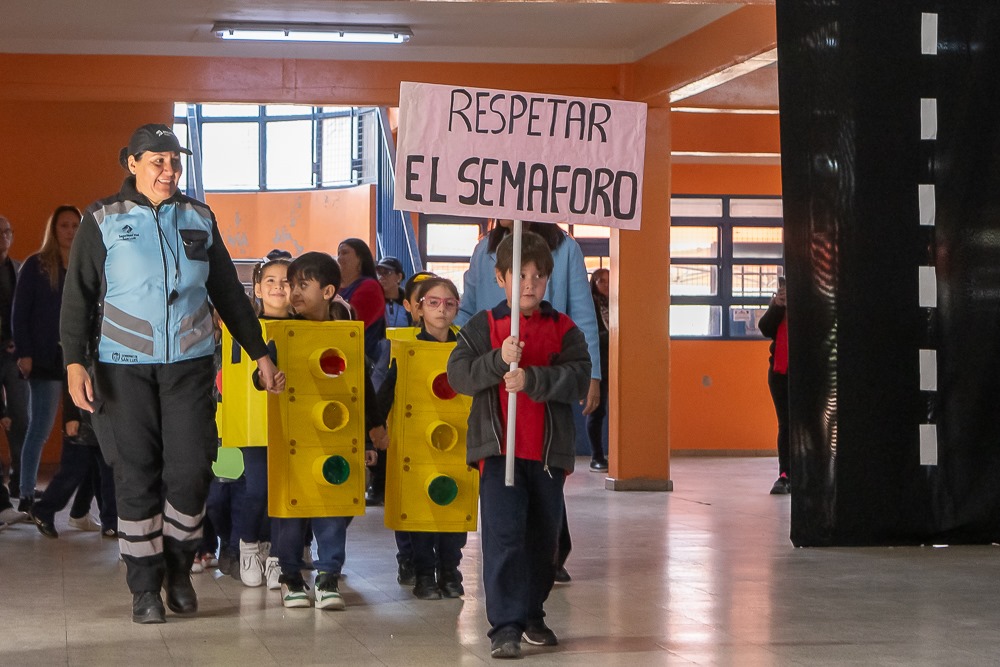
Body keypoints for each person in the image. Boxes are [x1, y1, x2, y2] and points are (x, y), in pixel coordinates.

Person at [60, 123, 284, 625]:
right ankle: (144, 587)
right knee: (136, 474)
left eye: (174, 161)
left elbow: (227, 289)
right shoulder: (102, 217)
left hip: (188, 364)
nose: (168, 170)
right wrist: (75, 360)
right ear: (132, 163)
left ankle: (179, 570)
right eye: (157, 161)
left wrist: (260, 353)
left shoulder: (198, 217)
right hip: (122, 368)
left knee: (190, 470)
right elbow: (77, 295)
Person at [447, 231, 591, 659]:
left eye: (539, 276)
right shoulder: (484, 327)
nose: (530, 284)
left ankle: (532, 612)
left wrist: (533, 379)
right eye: (521, 274)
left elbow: (578, 378)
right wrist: (496, 359)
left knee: (542, 540)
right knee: (504, 537)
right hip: (498, 455)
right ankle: (505, 625)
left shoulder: (563, 329)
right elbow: (459, 375)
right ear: (501, 277)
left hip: (546, 457)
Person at [272, 251, 386, 610]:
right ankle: (290, 576)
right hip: (292, 438)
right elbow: (259, 376)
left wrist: (372, 430)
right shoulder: (281, 332)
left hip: (335, 434)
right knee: (291, 513)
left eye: (303, 285)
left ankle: (327, 575)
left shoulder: (346, 335)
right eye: (292, 285)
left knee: (333, 508)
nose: (294, 293)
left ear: (328, 291)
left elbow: (361, 384)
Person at [377, 276, 468, 600]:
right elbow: (386, 390)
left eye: (449, 303)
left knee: (454, 506)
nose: (441, 310)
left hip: (456, 441)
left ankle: (449, 570)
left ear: (457, 308)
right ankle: (424, 572)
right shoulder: (406, 349)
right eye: (433, 303)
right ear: (418, 309)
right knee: (421, 511)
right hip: (416, 443)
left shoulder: (465, 350)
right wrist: (376, 428)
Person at [12, 205, 81, 512]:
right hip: (44, 358)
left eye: (75, 226)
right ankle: (27, 492)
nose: (70, 231)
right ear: (54, 230)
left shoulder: (82, 265)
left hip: (77, 358)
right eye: (64, 225)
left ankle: (78, 503)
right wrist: (25, 353)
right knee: (39, 427)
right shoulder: (36, 265)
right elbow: (20, 313)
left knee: (81, 431)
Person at [238, 255, 292, 588]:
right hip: (253, 422)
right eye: (270, 281)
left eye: (286, 281)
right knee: (258, 487)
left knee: (286, 490)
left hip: (293, 422)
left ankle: (276, 555)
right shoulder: (245, 328)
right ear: (258, 287)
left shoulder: (305, 327)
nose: (278, 287)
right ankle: (248, 544)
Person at [29, 383, 118, 538]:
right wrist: (71, 416)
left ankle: (110, 522)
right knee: (73, 470)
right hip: (84, 416)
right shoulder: (81, 358)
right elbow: (70, 376)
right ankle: (43, 510)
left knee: (106, 472)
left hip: (104, 416)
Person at [0, 214, 27, 501]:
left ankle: (21, 483)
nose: (2, 237)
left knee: (21, 419)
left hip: (15, 356)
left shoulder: (20, 270)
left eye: (6, 232)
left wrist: (19, 344)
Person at [759, 276, 790, 495]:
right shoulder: (779, 304)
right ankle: (785, 475)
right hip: (782, 372)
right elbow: (766, 328)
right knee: (786, 424)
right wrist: (778, 306)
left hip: (813, 373)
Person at [337, 238, 386, 361]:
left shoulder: (370, 287)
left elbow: (349, 323)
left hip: (362, 360)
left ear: (360, 259)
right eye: (338, 254)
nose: (339, 258)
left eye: (345, 253)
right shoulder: (336, 288)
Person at [587, 268, 610, 472]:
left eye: (610, 281)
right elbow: (590, 335)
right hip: (598, 364)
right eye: (602, 281)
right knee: (597, 410)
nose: (606, 285)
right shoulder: (590, 305)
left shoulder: (618, 304)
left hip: (617, 365)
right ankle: (597, 455)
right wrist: (612, 336)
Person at [377, 256, 411, 329]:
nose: (381, 277)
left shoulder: (409, 302)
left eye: (387, 272)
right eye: (379, 273)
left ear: (399, 277)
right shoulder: (373, 302)